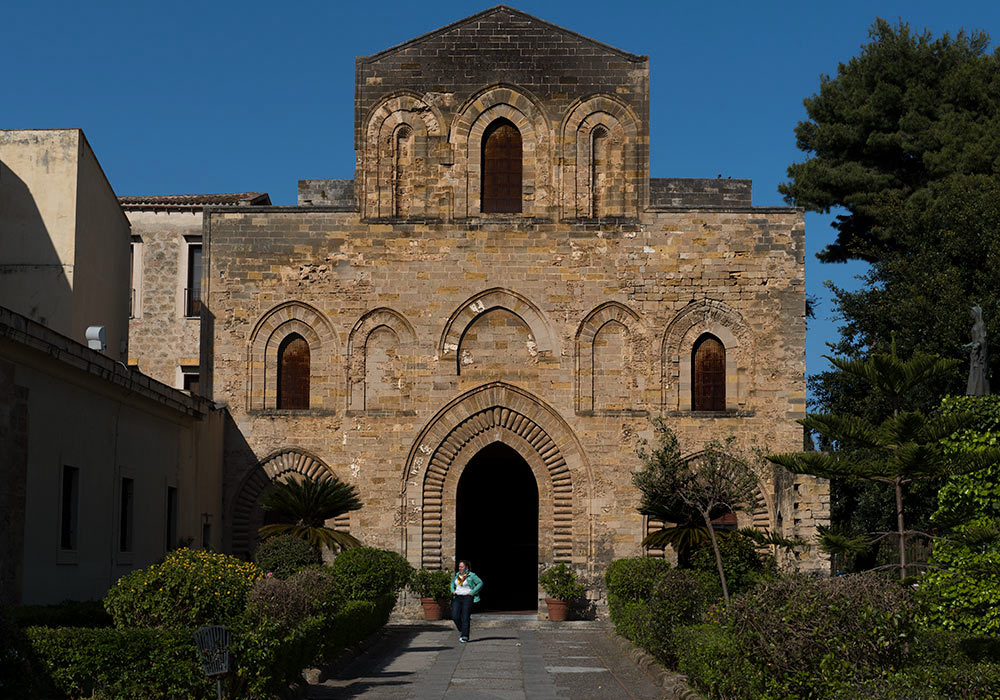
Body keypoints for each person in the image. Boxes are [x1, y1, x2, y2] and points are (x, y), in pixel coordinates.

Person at [449, 559, 483, 643]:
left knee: (465, 617)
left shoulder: (471, 575)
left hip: (467, 598)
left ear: (466, 567)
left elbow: (480, 583)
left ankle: (465, 636)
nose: (460, 568)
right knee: (455, 616)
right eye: (459, 566)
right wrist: (452, 590)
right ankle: (462, 630)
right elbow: (452, 583)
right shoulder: (457, 575)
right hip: (457, 597)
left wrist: (472, 592)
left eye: (462, 566)